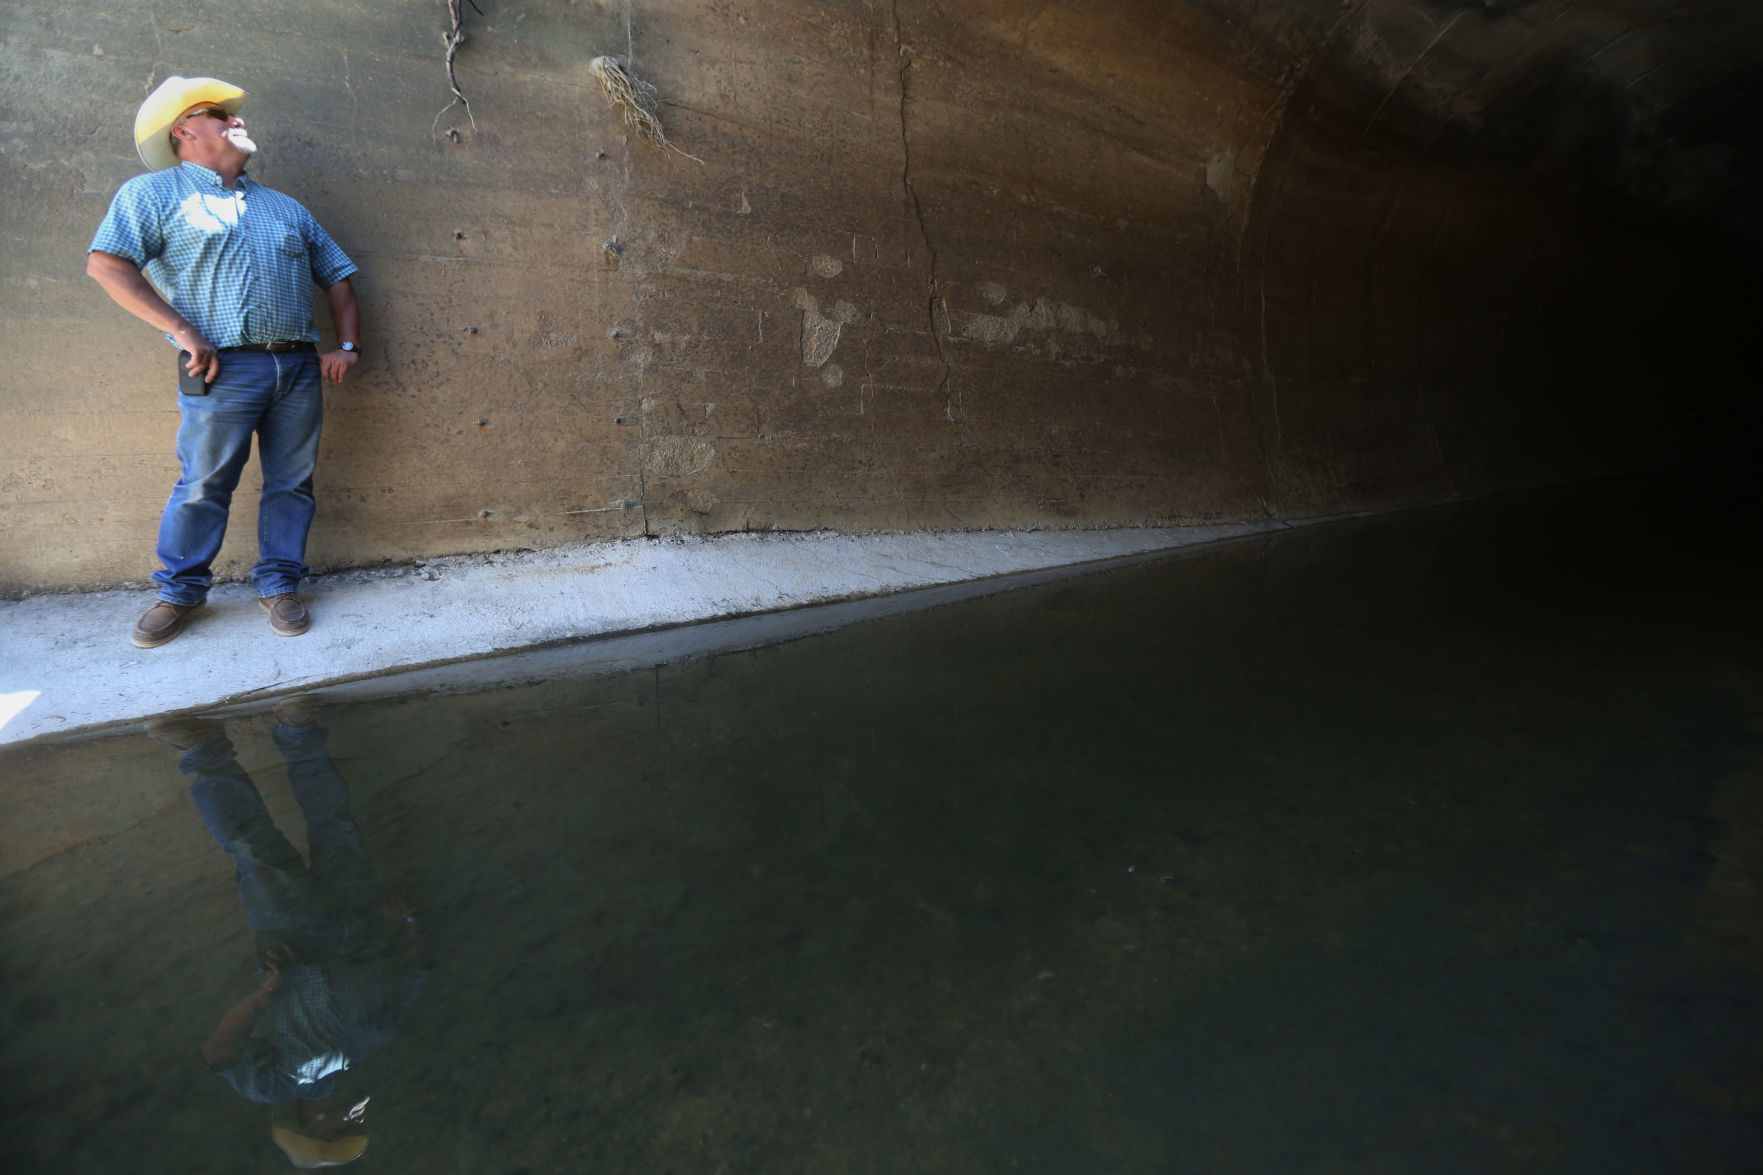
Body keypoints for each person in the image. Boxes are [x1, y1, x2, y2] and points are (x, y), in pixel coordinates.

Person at [87, 75, 363, 649]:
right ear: (184, 131)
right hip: (218, 371)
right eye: (216, 113)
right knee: (203, 483)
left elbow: (338, 276)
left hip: (297, 368)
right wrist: (183, 331)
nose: (234, 119)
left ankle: (280, 584)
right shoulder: (153, 194)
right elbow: (108, 267)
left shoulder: (285, 207)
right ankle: (179, 592)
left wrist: (346, 345)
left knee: (292, 482)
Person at [151, 698, 428, 1169]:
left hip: (291, 941)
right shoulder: (365, 1049)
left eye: (343, 1128)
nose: (353, 1118)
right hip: (357, 924)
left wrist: (264, 995)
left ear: (313, 1125)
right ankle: (298, 735)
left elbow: (217, 1053)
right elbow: (415, 974)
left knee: (251, 847)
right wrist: (405, 921)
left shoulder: (273, 1085)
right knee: (336, 826)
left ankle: (203, 749)